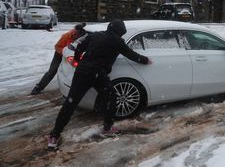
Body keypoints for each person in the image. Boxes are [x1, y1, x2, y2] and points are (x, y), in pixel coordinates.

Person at [47, 19, 152, 149]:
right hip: (98, 74)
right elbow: (132, 55)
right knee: (111, 96)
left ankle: (54, 135)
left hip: (82, 72)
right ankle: (107, 127)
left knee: (70, 103)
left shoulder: (95, 35)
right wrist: (145, 60)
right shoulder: (118, 41)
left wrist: (78, 59)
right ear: (120, 32)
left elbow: (79, 47)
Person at [30, 23, 87, 95]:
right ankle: (38, 87)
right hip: (59, 54)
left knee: (73, 71)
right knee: (52, 71)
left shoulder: (83, 37)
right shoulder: (66, 36)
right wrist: (64, 52)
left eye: (77, 35)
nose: (74, 35)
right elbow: (57, 46)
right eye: (74, 34)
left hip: (74, 55)